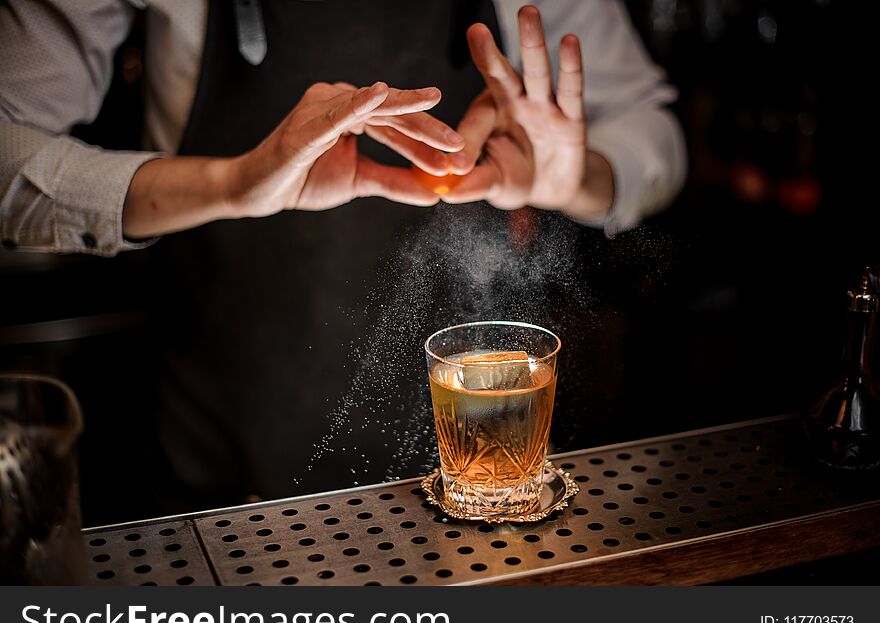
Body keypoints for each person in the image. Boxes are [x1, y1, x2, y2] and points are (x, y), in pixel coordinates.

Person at [0, 1, 686, 511]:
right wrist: (231, 182)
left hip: (484, 489)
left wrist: (578, 179)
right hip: (222, 456)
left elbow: (654, 128)